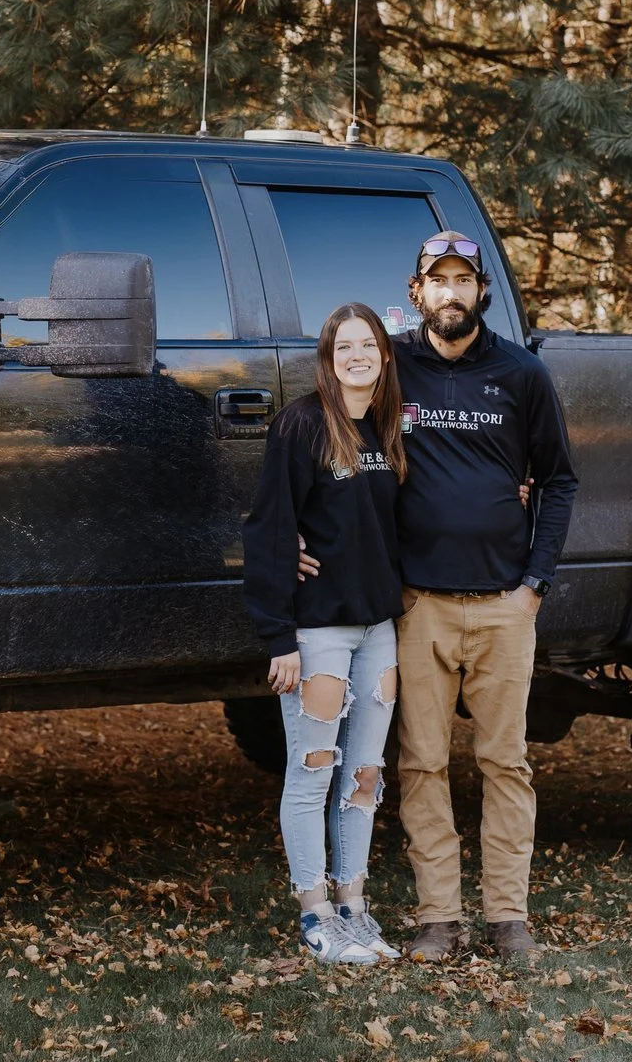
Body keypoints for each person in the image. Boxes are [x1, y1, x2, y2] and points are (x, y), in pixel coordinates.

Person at [387, 232, 578, 963]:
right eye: (439, 280)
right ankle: (439, 917)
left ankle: (508, 918)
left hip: (505, 603)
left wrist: (536, 582)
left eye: (464, 280)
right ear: (417, 294)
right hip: (420, 605)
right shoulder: (394, 366)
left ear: (482, 292)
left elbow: (558, 479)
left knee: (506, 762)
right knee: (423, 762)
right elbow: (339, 417)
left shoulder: (522, 373)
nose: (452, 292)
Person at [242, 303, 412, 966]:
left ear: (385, 355)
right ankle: (315, 914)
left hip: (377, 629)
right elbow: (267, 527)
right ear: (328, 356)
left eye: (367, 344)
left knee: (364, 776)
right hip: (317, 633)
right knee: (313, 772)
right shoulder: (301, 424)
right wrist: (277, 633)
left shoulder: (389, 428)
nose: (357, 355)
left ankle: (354, 909)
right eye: (345, 346)